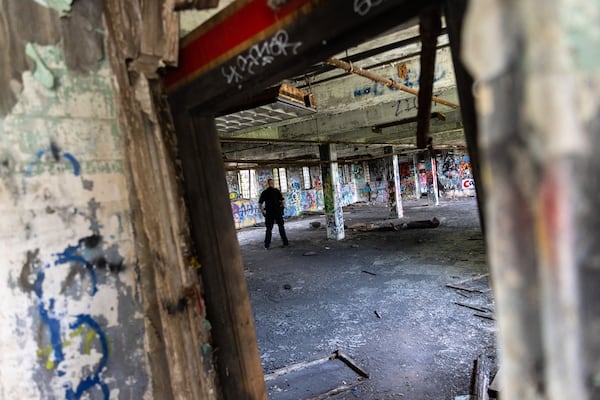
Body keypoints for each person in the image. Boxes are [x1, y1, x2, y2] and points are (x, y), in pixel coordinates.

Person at [258, 178, 289, 249]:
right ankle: (285, 242)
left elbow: (260, 204)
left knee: (269, 229)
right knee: (281, 227)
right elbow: (282, 201)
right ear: (272, 183)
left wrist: (263, 212)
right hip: (277, 212)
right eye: (273, 183)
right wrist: (282, 208)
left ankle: (267, 245)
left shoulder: (264, 192)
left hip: (269, 213)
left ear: (268, 184)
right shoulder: (276, 191)